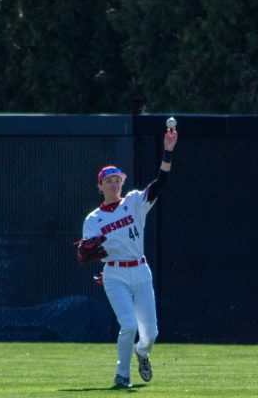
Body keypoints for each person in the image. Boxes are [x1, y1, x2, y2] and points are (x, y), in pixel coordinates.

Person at [78, 124, 178, 388]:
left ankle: (142, 353)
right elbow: (88, 251)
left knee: (151, 334)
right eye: (108, 180)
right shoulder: (93, 219)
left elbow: (160, 183)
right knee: (128, 326)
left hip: (140, 271)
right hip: (114, 274)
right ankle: (123, 376)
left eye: (117, 179)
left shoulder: (134, 202)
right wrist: (100, 262)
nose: (114, 183)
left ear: (122, 183)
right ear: (99, 186)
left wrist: (167, 152)